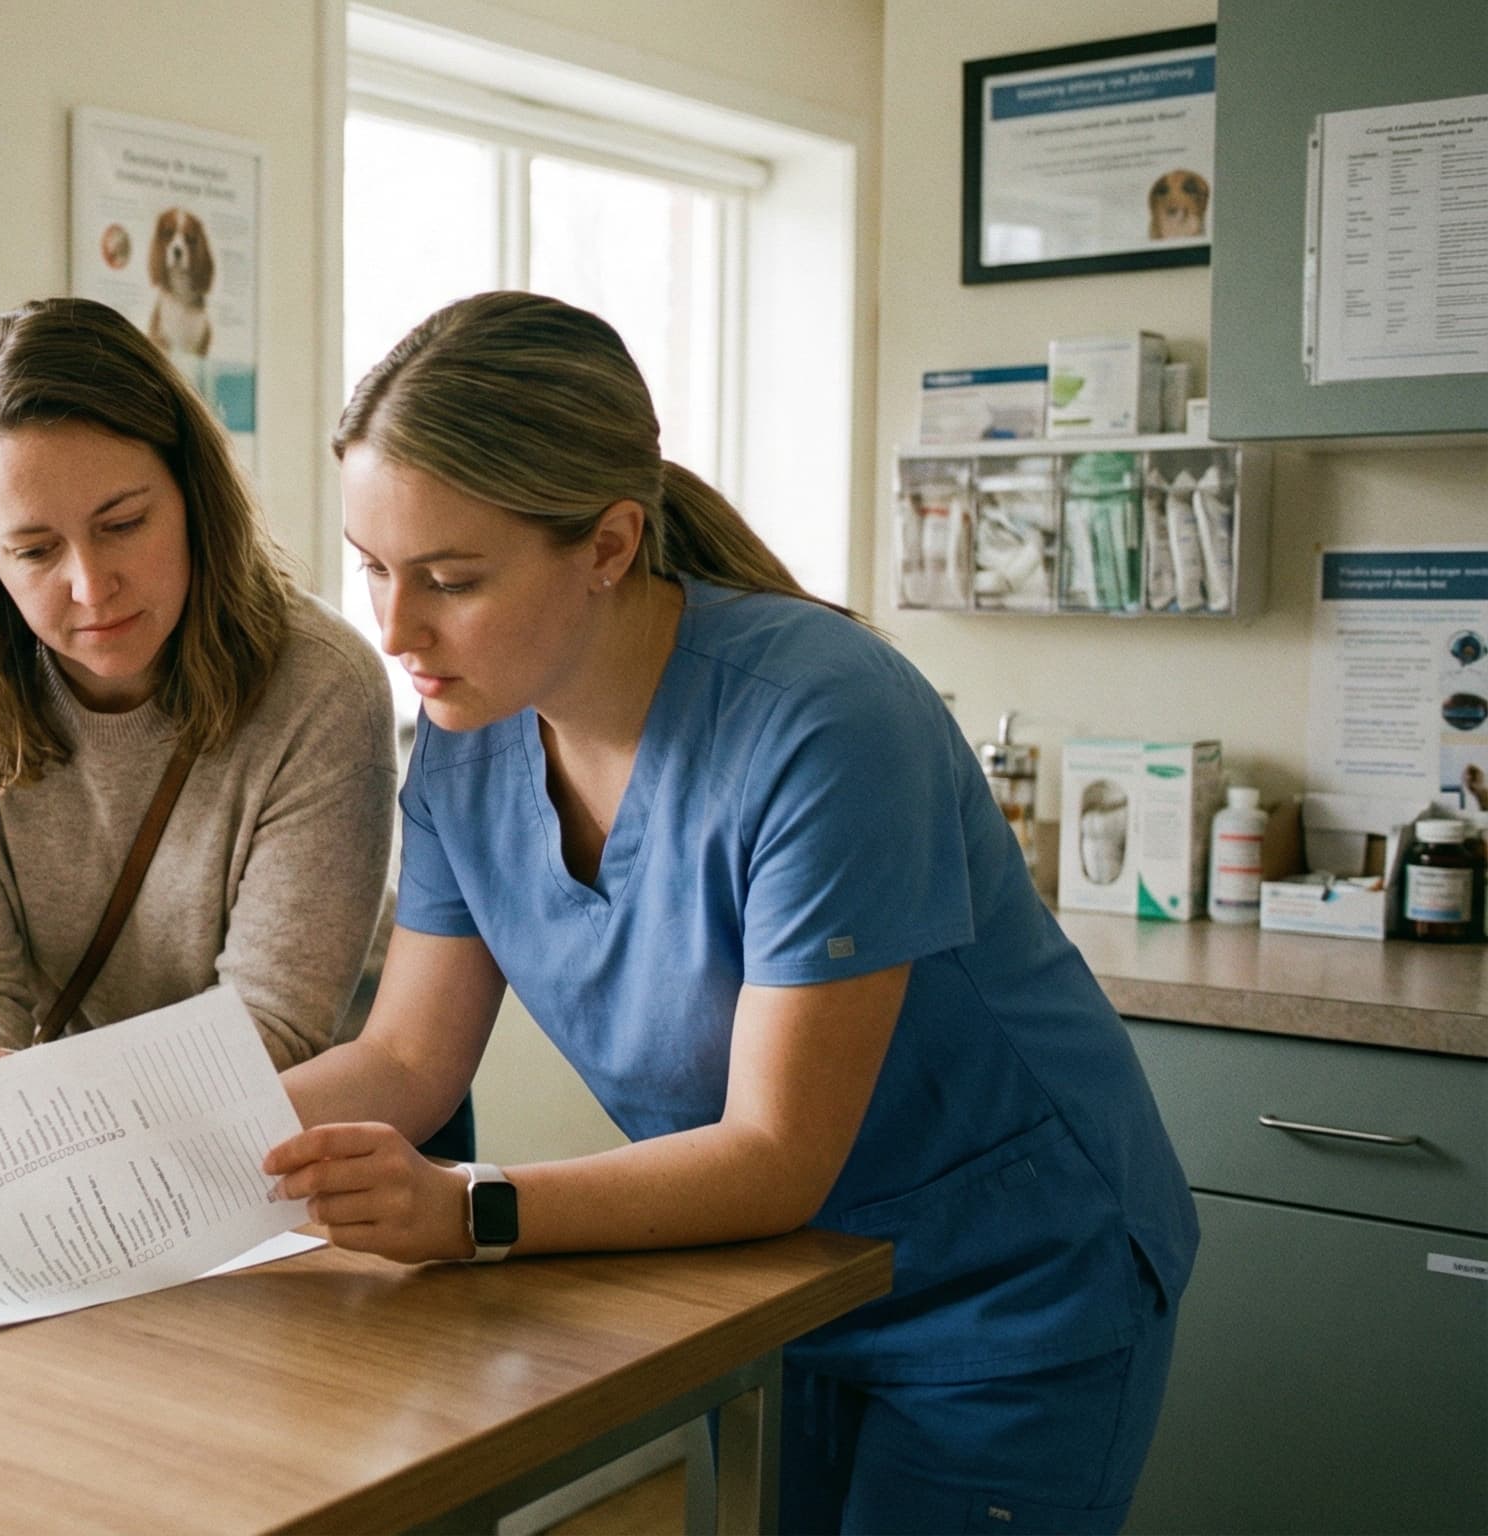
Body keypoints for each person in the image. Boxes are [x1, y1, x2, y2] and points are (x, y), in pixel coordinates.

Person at [262, 291, 1196, 1535]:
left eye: (449, 579)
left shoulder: (823, 719)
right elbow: (405, 1059)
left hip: (1004, 1283)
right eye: (372, 569)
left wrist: (472, 1209)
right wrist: (118, 1139)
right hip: (762, 1277)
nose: (394, 630)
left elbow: (775, 1151)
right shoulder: (460, 744)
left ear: (606, 545)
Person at [0, 297, 421, 1122]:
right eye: (34, 550)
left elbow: (269, 1026)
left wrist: (34, 1098)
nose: (91, 587)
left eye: (123, 524)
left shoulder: (321, 682)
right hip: (86, 1128)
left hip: (322, 1132)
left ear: (191, 496)